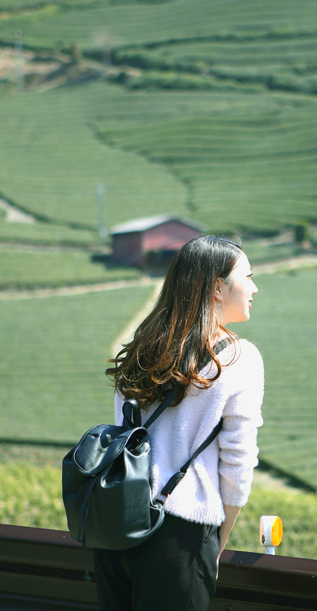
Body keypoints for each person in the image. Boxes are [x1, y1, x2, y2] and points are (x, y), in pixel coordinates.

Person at [95, 235, 263, 611]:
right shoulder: (239, 358)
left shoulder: (144, 348)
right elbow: (238, 465)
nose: (254, 287)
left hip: (117, 528)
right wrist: (216, 544)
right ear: (217, 289)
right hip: (181, 537)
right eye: (247, 276)